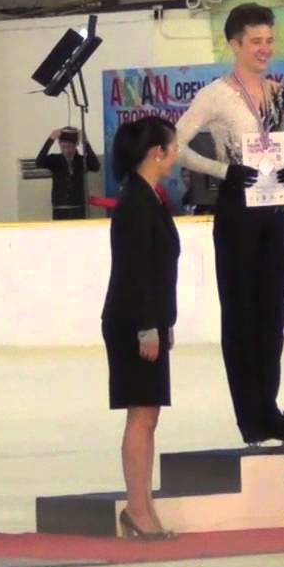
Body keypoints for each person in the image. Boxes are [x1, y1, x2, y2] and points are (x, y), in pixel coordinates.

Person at [174, 3, 284, 447]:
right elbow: (175, 145)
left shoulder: (277, 92)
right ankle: (249, 415)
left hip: (274, 208)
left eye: (269, 40)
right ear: (234, 44)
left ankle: (269, 408)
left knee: (271, 314)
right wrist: (223, 171)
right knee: (241, 315)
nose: (265, 49)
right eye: (255, 42)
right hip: (237, 210)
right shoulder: (215, 95)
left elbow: (276, 142)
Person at [101, 116, 180, 541]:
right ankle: (137, 509)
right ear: (156, 153)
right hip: (133, 321)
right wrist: (148, 327)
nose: (177, 154)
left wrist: (165, 322)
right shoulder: (135, 202)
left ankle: (143, 506)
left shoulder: (149, 197)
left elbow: (158, 269)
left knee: (148, 416)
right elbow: (136, 271)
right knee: (141, 415)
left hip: (148, 318)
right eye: (173, 147)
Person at [36, 127, 101, 220]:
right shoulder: (55, 160)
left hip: (78, 208)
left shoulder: (81, 160)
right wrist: (50, 139)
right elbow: (39, 163)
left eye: (69, 147)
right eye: (63, 147)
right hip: (59, 209)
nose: (66, 150)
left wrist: (85, 143)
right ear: (59, 144)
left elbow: (95, 166)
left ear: (76, 145)